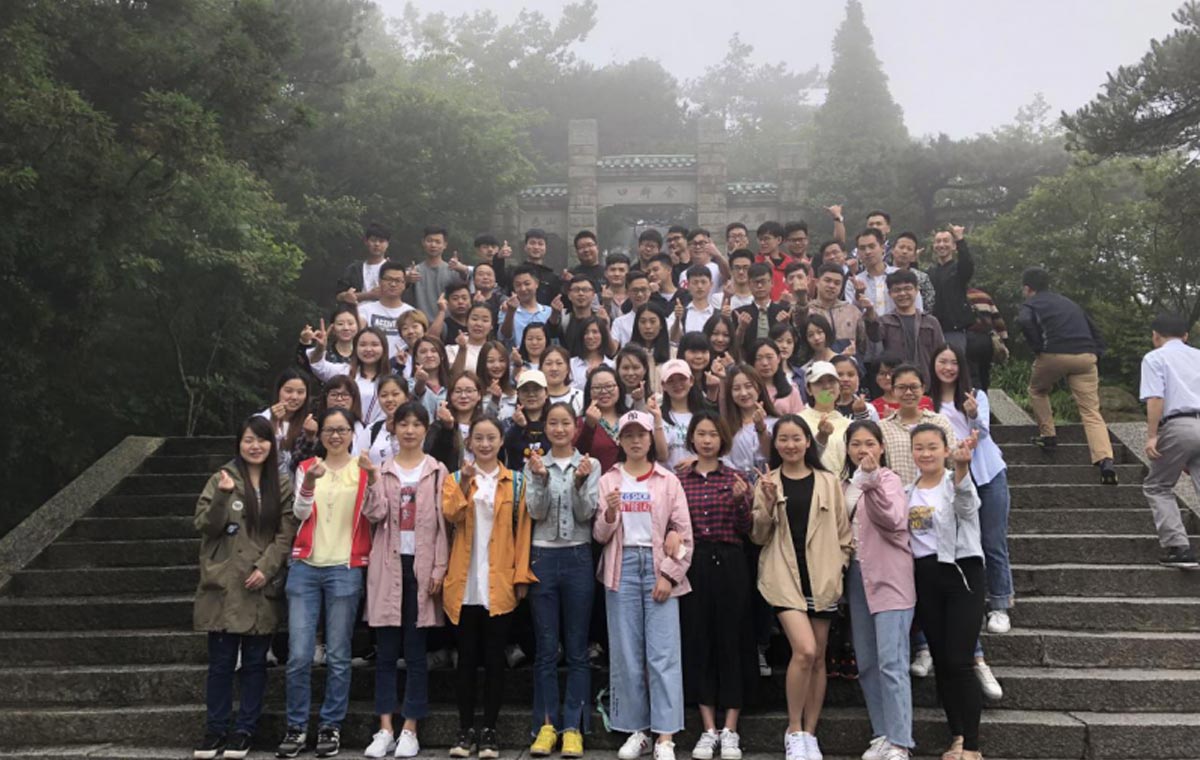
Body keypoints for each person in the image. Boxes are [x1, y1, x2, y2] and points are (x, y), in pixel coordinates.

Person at [193, 416, 297, 760]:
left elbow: (286, 533)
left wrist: (266, 568)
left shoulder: (281, 484)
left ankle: (244, 730)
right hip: (225, 582)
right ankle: (215, 729)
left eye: (262, 440)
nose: (255, 446)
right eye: (249, 440)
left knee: (254, 664)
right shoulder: (222, 478)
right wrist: (222, 496)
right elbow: (206, 525)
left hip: (259, 584)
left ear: (272, 445)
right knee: (221, 663)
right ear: (239, 443)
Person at [751, 415, 852, 760]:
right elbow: (758, 536)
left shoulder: (828, 481)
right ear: (775, 444)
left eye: (797, 438)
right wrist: (766, 503)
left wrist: (840, 565)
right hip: (784, 577)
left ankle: (810, 734)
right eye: (783, 439)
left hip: (823, 577)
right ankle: (793, 730)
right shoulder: (768, 481)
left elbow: (843, 533)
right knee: (805, 650)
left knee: (819, 658)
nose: (790, 445)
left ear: (808, 441)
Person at [595, 410, 694, 760]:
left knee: (663, 653)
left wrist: (669, 574)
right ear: (620, 440)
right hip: (621, 567)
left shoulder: (668, 480)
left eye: (641, 434)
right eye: (629, 435)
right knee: (627, 653)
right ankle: (637, 730)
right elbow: (600, 534)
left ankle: (665, 735)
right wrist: (610, 514)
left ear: (651, 439)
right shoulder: (609, 480)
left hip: (657, 566)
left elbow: (683, 533)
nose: (635, 441)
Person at [278, 408, 373, 760]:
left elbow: (375, 512)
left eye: (342, 429)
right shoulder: (307, 467)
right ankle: (296, 726)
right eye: (330, 430)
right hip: (305, 565)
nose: (336, 436)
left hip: (345, 567)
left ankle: (331, 725)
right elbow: (300, 514)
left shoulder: (362, 469)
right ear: (320, 435)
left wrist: (374, 478)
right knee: (299, 654)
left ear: (352, 433)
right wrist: (309, 484)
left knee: (338, 654)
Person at [442, 416, 537, 759]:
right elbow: (450, 514)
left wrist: (521, 576)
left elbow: (523, 532)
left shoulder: (516, 482)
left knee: (496, 659)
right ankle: (465, 729)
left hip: (499, 579)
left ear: (501, 442)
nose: (484, 444)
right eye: (478, 438)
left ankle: (490, 731)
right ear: (469, 442)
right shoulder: (455, 479)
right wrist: (466, 483)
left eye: (491, 438)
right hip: (464, 581)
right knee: (466, 659)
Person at [361, 402, 450, 759]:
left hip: (422, 566)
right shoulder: (383, 470)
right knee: (385, 652)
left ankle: (410, 728)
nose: (410, 430)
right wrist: (371, 479)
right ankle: (385, 728)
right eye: (404, 424)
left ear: (426, 429)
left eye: (416, 424)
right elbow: (375, 514)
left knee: (415, 652)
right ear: (393, 428)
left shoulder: (437, 471)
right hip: (388, 564)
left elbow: (443, 526)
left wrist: (440, 568)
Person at [676, 411, 754, 760]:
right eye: (701, 434)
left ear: (723, 439)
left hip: (731, 562)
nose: (707, 440)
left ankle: (731, 728)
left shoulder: (737, 477)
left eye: (713, 434)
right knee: (699, 639)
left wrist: (740, 501)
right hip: (694, 564)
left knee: (732, 639)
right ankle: (708, 727)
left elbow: (747, 528)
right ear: (691, 438)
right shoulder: (679, 479)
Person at [525, 404, 601, 759]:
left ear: (575, 427)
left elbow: (587, 513)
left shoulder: (589, 464)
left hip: (578, 556)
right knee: (545, 647)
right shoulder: (534, 463)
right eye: (553, 423)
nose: (559, 429)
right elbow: (535, 512)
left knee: (577, 648)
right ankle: (546, 725)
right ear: (545, 428)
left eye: (565, 423)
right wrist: (540, 479)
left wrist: (580, 483)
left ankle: (573, 727)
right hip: (542, 556)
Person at [907, 424, 985, 760]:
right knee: (941, 660)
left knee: (959, 659)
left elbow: (968, 508)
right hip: (925, 578)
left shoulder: (955, 482)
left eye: (932, 447)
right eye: (919, 447)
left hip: (962, 574)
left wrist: (962, 468)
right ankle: (957, 736)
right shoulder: (907, 491)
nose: (925, 454)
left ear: (944, 450)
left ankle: (972, 746)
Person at [841, 421, 914, 760]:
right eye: (856, 443)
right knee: (868, 661)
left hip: (891, 577)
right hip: (858, 576)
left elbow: (893, 521)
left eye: (869, 443)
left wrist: (871, 484)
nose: (863, 450)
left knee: (891, 661)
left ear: (882, 447)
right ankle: (882, 732)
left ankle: (901, 741)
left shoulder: (889, 480)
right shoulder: (845, 484)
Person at [929, 344, 1014, 632]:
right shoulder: (928, 402)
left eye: (954, 362)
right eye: (942, 361)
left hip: (988, 474)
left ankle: (1000, 604)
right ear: (933, 365)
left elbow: (984, 432)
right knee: (959, 544)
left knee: (993, 541)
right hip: (952, 478)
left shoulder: (976, 395)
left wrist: (973, 414)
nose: (948, 368)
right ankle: (968, 603)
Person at [1016, 266, 1117, 483]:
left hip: (1054, 353)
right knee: (1091, 411)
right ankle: (1105, 459)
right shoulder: (1069, 303)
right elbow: (1094, 328)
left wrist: (1038, 347)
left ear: (1027, 288)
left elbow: (1024, 321)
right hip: (1086, 356)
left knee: (1037, 390)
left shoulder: (1031, 303)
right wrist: (1097, 353)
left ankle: (1048, 436)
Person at [1139, 313, 1200, 568]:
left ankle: (1179, 548)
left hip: (1179, 425)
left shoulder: (1155, 358)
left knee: (1158, 486)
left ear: (1155, 335)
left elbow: (1156, 398)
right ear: (1185, 336)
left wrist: (1153, 435)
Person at [878, 365, 957, 487]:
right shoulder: (883, 427)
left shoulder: (939, 422)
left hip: (937, 493)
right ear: (893, 390)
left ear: (923, 388)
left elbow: (952, 462)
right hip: (898, 494)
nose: (908, 393)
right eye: (902, 388)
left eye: (914, 387)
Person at [308, 325, 390, 426]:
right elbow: (318, 366)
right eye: (363, 345)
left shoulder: (391, 379)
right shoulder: (344, 371)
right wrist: (320, 348)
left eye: (374, 344)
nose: (368, 349)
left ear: (384, 348)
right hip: (343, 430)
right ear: (355, 348)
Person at [869, 270, 944, 373]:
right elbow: (874, 335)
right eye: (897, 290)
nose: (902, 293)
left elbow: (941, 353)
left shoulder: (931, 322)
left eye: (907, 288)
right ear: (890, 293)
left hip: (926, 378)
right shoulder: (885, 321)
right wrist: (869, 312)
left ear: (916, 290)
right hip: (896, 378)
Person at [926, 225, 973, 355]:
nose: (941, 245)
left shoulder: (958, 270)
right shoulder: (930, 272)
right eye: (938, 241)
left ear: (953, 246)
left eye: (946, 241)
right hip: (932, 330)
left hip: (954, 331)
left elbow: (967, 264)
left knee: (954, 363)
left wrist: (960, 239)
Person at [426, 372, 486, 471]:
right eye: (458, 391)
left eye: (469, 391)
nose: (463, 396)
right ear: (450, 395)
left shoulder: (486, 425)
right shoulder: (438, 426)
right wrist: (447, 429)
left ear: (479, 395)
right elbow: (433, 458)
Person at [799, 361, 852, 473]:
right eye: (819, 382)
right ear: (809, 389)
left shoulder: (849, 424)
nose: (827, 386)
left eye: (831, 381)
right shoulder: (799, 421)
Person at [575, 366, 629, 472]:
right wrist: (589, 426)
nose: (604, 391)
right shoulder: (580, 422)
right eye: (597, 387)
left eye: (609, 386)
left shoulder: (630, 419)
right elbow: (577, 456)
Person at [258, 368, 309, 477]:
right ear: (278, 391)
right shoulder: (261, 419)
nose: (294, 397)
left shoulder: (309, 424)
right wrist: (274, 423)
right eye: (288, 391)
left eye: (300, 392)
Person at [358, 261, 415, 356]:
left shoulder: (411, 313)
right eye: (388, 279)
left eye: (398, 280)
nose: (393, 284)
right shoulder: (364, 311)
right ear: (380, 282)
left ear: (404, 284)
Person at [657, 358, 706, 469]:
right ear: (663, 385)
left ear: (691, 380)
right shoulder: (655, 416)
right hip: (666, 478)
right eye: (670, 381)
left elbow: (719, 451)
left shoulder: (705, 415)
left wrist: (697, 460)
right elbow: (659, 456)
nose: (677, 384)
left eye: (682, 379)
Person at [808, 265, 868, 354]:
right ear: (817, 282)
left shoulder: (852, 311)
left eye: (837, 283)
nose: (832, 286)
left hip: (850, 361)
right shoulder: (808, 311)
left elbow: (862, 343)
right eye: (827, 281)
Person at [406, 226, 465, 318]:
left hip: (448, 323)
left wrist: (462, 270)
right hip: (421, 323)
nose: (433, 245)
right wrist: (406, 279)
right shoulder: (414, 272)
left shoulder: (453, 271)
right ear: (423, 242)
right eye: (429, 241)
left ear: (445, 245)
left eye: (438, 242)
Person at [735, 263, 790, 356]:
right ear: (749, 284)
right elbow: (734, 346)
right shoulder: (740, 313)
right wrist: (741, 328)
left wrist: (785, 325)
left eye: (763, 282)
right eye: (755, 282)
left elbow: (791, 341)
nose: (760, 286)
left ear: (772, 283)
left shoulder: (783, 312)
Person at [354, 374, 410, 465]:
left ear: (407, 397)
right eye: (384, 395)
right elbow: (357, 461)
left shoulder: (417, 427)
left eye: (395, 394)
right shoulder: (372, 430)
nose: (389, 399)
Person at [504, 370, 551, 471]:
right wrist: (518, 427)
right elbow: (504, 446)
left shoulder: (554, 423)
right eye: (525, 390)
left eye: (536, 389)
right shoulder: (508, 423)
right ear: (518, 394)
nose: (531, 394)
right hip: (517, 478)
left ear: (546, 393)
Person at [336, 222, 391, 305]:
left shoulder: (393, 269)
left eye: (381, 241)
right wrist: (368, 295)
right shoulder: (354, 269)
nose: (377, 244)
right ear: (366, 241)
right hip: (356, 311)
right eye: (373, 240)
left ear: (387, 244)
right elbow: (339, 296)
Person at [501, 266, 555, 348]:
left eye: (527, 284)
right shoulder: (507, 309)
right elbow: (504, 336)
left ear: (536, 284)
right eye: (518, 285)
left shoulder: (549, 311)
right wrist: (511, 312)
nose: (523, 289)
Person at [750, 338, 805, 415]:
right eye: (759, 358)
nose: (765, 363)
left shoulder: (791, 391)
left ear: (778, 358)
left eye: (769, 357)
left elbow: (799, 419)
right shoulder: (748, 391)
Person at [853, 229, 898, 317]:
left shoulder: (900, 275)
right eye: (862, 248)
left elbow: (916, 309)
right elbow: (852, 315)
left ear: (883, 248)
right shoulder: (854, 282)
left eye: (872, 246)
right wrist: (858, 296)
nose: (867, 252)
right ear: (858, 253)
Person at [298, 305, 358, 370]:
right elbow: (305, 365)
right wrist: (304, 341)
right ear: (333, 328)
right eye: (340, 324)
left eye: (350, 323)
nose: (346, 328)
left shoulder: (362, 353)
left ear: (358, 326)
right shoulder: (322, 351)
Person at [670, 266, 721, 341]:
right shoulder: (680, 313)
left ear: (711, 285)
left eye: (703, 282)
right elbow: (673, 340)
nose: (699, 286)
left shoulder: (718, 314)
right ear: (687, 285)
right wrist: (677, 319)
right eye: (695, 282)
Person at [409, 335, 450, 421]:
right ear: (416, 358)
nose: (429, 355)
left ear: (442, 355)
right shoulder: (408, 384)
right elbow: (414, 395)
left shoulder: (452, 384)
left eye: (434, 351)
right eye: (423, 352)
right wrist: (421, 382)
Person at [890, 233, 934, 314]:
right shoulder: (883, 274)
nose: (904, 251)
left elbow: (928, 305)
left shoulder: (922, 278)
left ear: (914, 255)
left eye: (909, 249)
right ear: (892, 250)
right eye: (901, 247)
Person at [569, 317, 616, 390]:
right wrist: (586, 379)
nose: (590, 336)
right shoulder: (571, 364)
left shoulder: (612, 365)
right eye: (586, 333)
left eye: (595, 332)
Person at [612, 271, 657, 346]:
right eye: (635, 290)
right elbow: (612, 349)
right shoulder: (619, 322)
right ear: (627, 292)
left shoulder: (660, 319)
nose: (639, 294)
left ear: (650, 291)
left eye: (643, 289)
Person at [477, 340, 518, 422]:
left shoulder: (515, 396)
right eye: (491, 361)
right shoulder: (476, 395)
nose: (497, 365)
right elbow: (485, 423)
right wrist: (494, 400)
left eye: (501, 360)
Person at [831, 356, 879, 422]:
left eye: (850, 375)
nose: (845, 379)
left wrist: (862, 414)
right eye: (839, 375)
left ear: (858, 378)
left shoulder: (869, 409)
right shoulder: (822, 408)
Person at [541, 346, 585, 416]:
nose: (554, 368)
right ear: (541, 368)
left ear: (568, 368)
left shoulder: (580, 397)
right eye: (548, 363)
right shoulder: (535, 397)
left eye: (559, 363)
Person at [431, 281, 475, 350]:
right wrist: (442, 311)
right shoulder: (444, 325)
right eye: (455, 298)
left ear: (471, 302)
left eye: (464, 298)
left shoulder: (476, 324)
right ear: (447, 302)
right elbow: (430, 340)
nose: (460, 302)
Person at [616, 344, 657, 409]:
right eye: (625, 368)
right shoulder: (611, 401)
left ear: (645, 369)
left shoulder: (656, 401)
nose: (630, 373)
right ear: (618, 369)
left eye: (635, 368)